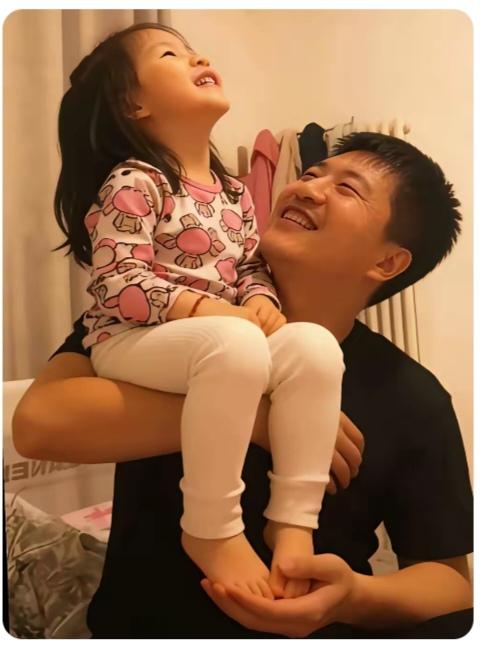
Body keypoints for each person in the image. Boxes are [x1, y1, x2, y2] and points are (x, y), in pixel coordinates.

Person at [13, 132, 472, 636]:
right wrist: (262, 418)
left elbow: (450, 580)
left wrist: (351, 599)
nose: (304, 187)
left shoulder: (411, 397)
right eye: (310, 174)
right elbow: (39, 426)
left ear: (387, 262)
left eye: (347, 189)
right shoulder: (158, 317)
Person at [48, 21, 347, 599]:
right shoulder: (134, 181)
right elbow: (116, 282)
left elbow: (250, 266)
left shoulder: (234, 193)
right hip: (129, 340)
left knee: (313, 346)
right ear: (132, 103)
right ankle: (211, 527)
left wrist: (258, 301)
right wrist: (213, 310)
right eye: (171, 54)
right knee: (234, 343)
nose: (198, 57)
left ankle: (293, 521)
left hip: (215, 340)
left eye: (191, 51)